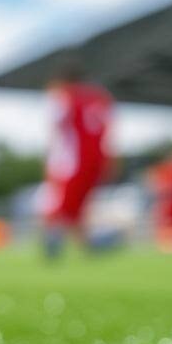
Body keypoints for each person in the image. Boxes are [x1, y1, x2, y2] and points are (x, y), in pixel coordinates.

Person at [42, 65, 117, 259]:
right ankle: (87, 245)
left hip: (71, 162)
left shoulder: (64, 97)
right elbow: (109, 130)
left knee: (61, 205)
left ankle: (53, 241)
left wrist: (49, 158)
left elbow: (55, 127)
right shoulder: (100, 98)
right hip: (96, 160)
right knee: (78, 207)